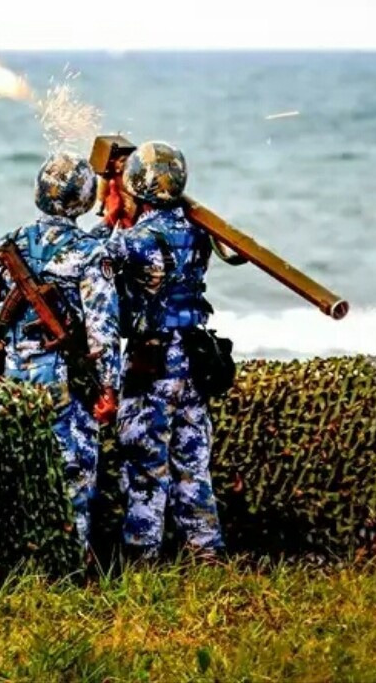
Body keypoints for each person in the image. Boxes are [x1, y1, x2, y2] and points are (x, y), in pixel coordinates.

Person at [0, 151, 121, 550]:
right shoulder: (90, 254)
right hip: (64, 384)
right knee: (73, 475)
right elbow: (103, 330)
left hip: (10, 385)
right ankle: (70, 563)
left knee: (16, 472)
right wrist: (109, 388)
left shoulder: (9, 245)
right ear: (83, 200)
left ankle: (17, 560)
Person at [101, 141, 225, 561]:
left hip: (151, 362)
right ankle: (206, 554)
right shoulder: (200, 229)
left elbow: (89, 259)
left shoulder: (136, 240)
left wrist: (109, 213)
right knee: (193, 463)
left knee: (145, 465)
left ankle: (142, 560)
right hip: (193, 357)